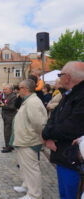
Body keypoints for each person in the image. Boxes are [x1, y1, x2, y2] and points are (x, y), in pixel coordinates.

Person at [42, 61, 84, 199]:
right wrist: (47, 135)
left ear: (67, 77)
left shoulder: (80, 96)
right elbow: (53, 116)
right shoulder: (69, 94)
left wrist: (47, 133)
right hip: (63, 155)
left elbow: (72, 126)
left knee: (71, 195)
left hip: (73, 159)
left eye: (60, 74)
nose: (59, 78)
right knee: (64, 194)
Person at [10, 79, 48, 199]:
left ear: (25, 89)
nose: (18, 90)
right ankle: (27, 186)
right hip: (23, 140)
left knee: (31, 168)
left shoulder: (33, 102)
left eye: (20, 87)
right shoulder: (27, 101)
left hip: (29, 140)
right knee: (24, 166)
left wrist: (38, 137)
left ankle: (34, 194)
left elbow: (39, 123)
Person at [0, 84, 17, 153]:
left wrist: (3, 105)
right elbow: (6, 103)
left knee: (8, 132)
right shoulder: (8, 96)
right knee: (7, 131)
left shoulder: (13, 97)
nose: (4, 91)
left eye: (5, 89)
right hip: (6, 116)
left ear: (10, 89)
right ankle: (9, 145)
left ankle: (8, 147)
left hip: (10, 116)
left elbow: (13, 107)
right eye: (3, 89)